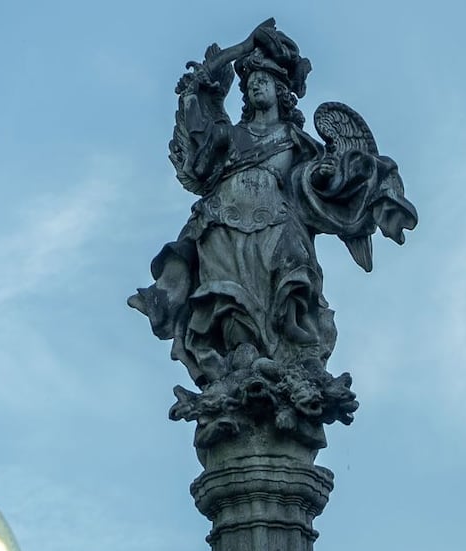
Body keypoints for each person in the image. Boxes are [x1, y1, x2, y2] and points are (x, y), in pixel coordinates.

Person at [130, 25, 416, 391]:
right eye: (251, 83)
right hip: (222, 227)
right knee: (226, 300)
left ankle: (298, 356)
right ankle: (241, 355)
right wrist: (238, 50)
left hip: (279, 226)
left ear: (280, 91)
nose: (255, 87)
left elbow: (333, 179)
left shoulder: (297, 142)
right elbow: (197, 113)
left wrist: (345, 177)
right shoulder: (231, 135)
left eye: (263, 81)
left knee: (292, 285)